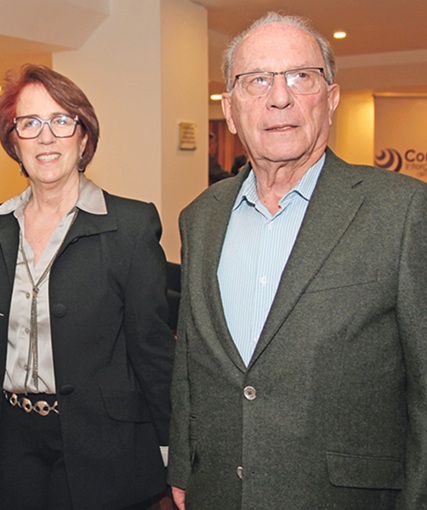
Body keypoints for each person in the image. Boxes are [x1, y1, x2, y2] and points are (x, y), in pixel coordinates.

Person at [169, 12, 427, 510]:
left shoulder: (403, 211)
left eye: (299, 77)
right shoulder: (200, 217)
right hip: (219, 491)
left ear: (330, 98)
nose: (278, 97)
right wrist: (183, 463)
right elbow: (189, 363)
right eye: (256, 80)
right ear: (231, 107)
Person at [0, 64, 174, 510]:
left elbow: (153, 350)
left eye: (62, 121)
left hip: (102, 445)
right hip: (11, 444)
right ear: (14, 141)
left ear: (83, 137)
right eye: (30, 124)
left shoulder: (130, 225)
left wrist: (170, 448)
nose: (46, 137)